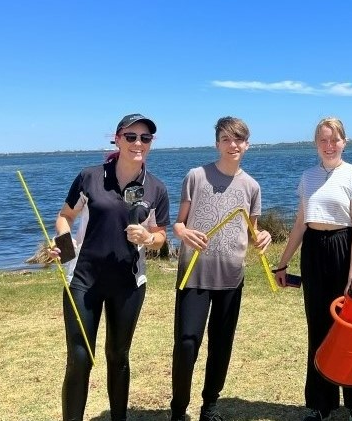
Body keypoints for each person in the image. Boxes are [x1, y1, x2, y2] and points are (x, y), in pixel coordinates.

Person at [51, 113, 170, 421]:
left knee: (118, 357)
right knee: (79, 359)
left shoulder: (156, 188)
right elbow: (65, 217)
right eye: (131, 137)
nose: (138, 143)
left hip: (129, 284)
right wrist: (63, 250)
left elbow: (160, 236)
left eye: (145, 138)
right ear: (117, 139)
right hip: (84, 281)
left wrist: (147, 237)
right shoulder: (90, 176)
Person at [170, 116, 272, 421]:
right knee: (187, 342)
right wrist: (183, 232)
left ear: (247, 145)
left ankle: (209, 406)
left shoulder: (252, 186)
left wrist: (263, 236)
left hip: (231, 277)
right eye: (226, 139)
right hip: (194, 274)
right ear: (217, 143)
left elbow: (253, 232)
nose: (233, 145)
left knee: (221, 344)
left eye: (238, 139)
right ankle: (178, 409)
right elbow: (178, 223)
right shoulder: (196, 176)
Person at [274, 117, 352, 421]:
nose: (329, 146)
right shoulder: (307, 177)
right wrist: (283, 261)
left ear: (344, 141)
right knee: (318, 328)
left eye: (334, 139)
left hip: (346, 251)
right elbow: (300, 224)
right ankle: (321, 404)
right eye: (323, 140)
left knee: (351, 331)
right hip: (314, 252)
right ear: (316, 143)